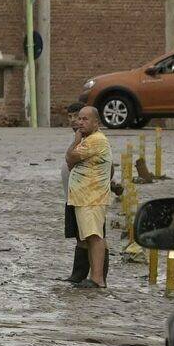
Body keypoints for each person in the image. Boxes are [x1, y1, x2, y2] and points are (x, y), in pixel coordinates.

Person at [66, 105, 112, 289]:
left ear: (96, 122)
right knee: (88, 237)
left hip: (92, 198)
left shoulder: (95, 140)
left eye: (85, 119)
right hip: (83, 197)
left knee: (94, 236)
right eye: (79, 118)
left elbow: (70, 157)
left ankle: (97, 278)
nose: (80, 122)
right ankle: (92, 276)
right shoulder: (90, 139)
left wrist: (76, 139)